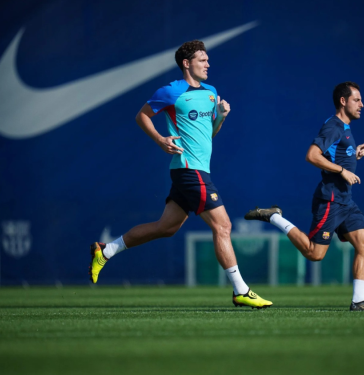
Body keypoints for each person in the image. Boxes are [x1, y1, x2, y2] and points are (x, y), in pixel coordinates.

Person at [89, 40, 272, 309]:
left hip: (194, 169)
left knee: (166, 228)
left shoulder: (211, 92)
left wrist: (221, 116)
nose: (208, 64)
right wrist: (160, 140)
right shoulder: (172, 91)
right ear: (187, 63)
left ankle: (106, 250)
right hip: (189, 170)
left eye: (207, 59)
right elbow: (142, 116)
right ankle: (240, 290)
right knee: (223, 226)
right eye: (202, 60)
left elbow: (210, 133)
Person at [245, 81, 364, 311]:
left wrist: (353, 156)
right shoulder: (334, 126)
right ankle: (274, 217)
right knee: (314, 253)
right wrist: (342, 170)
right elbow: (312, 155)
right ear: (343, 101)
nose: (362, 104)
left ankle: (358, 301)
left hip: (346, 201)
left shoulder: (345, 128)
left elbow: (335, 156)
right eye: (357, 100)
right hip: (331, 200)